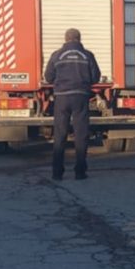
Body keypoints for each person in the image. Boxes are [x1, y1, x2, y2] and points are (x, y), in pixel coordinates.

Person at [44, 28, 101, 181]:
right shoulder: (88, 55)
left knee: (60, 135)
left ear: (66, 39)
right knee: (81, 135)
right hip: (80, 97)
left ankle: (57, 173)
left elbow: (48, 77)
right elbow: (96, 77)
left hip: (61, 98)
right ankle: (80, 172)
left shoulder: (57, 55)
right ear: (79, 39)